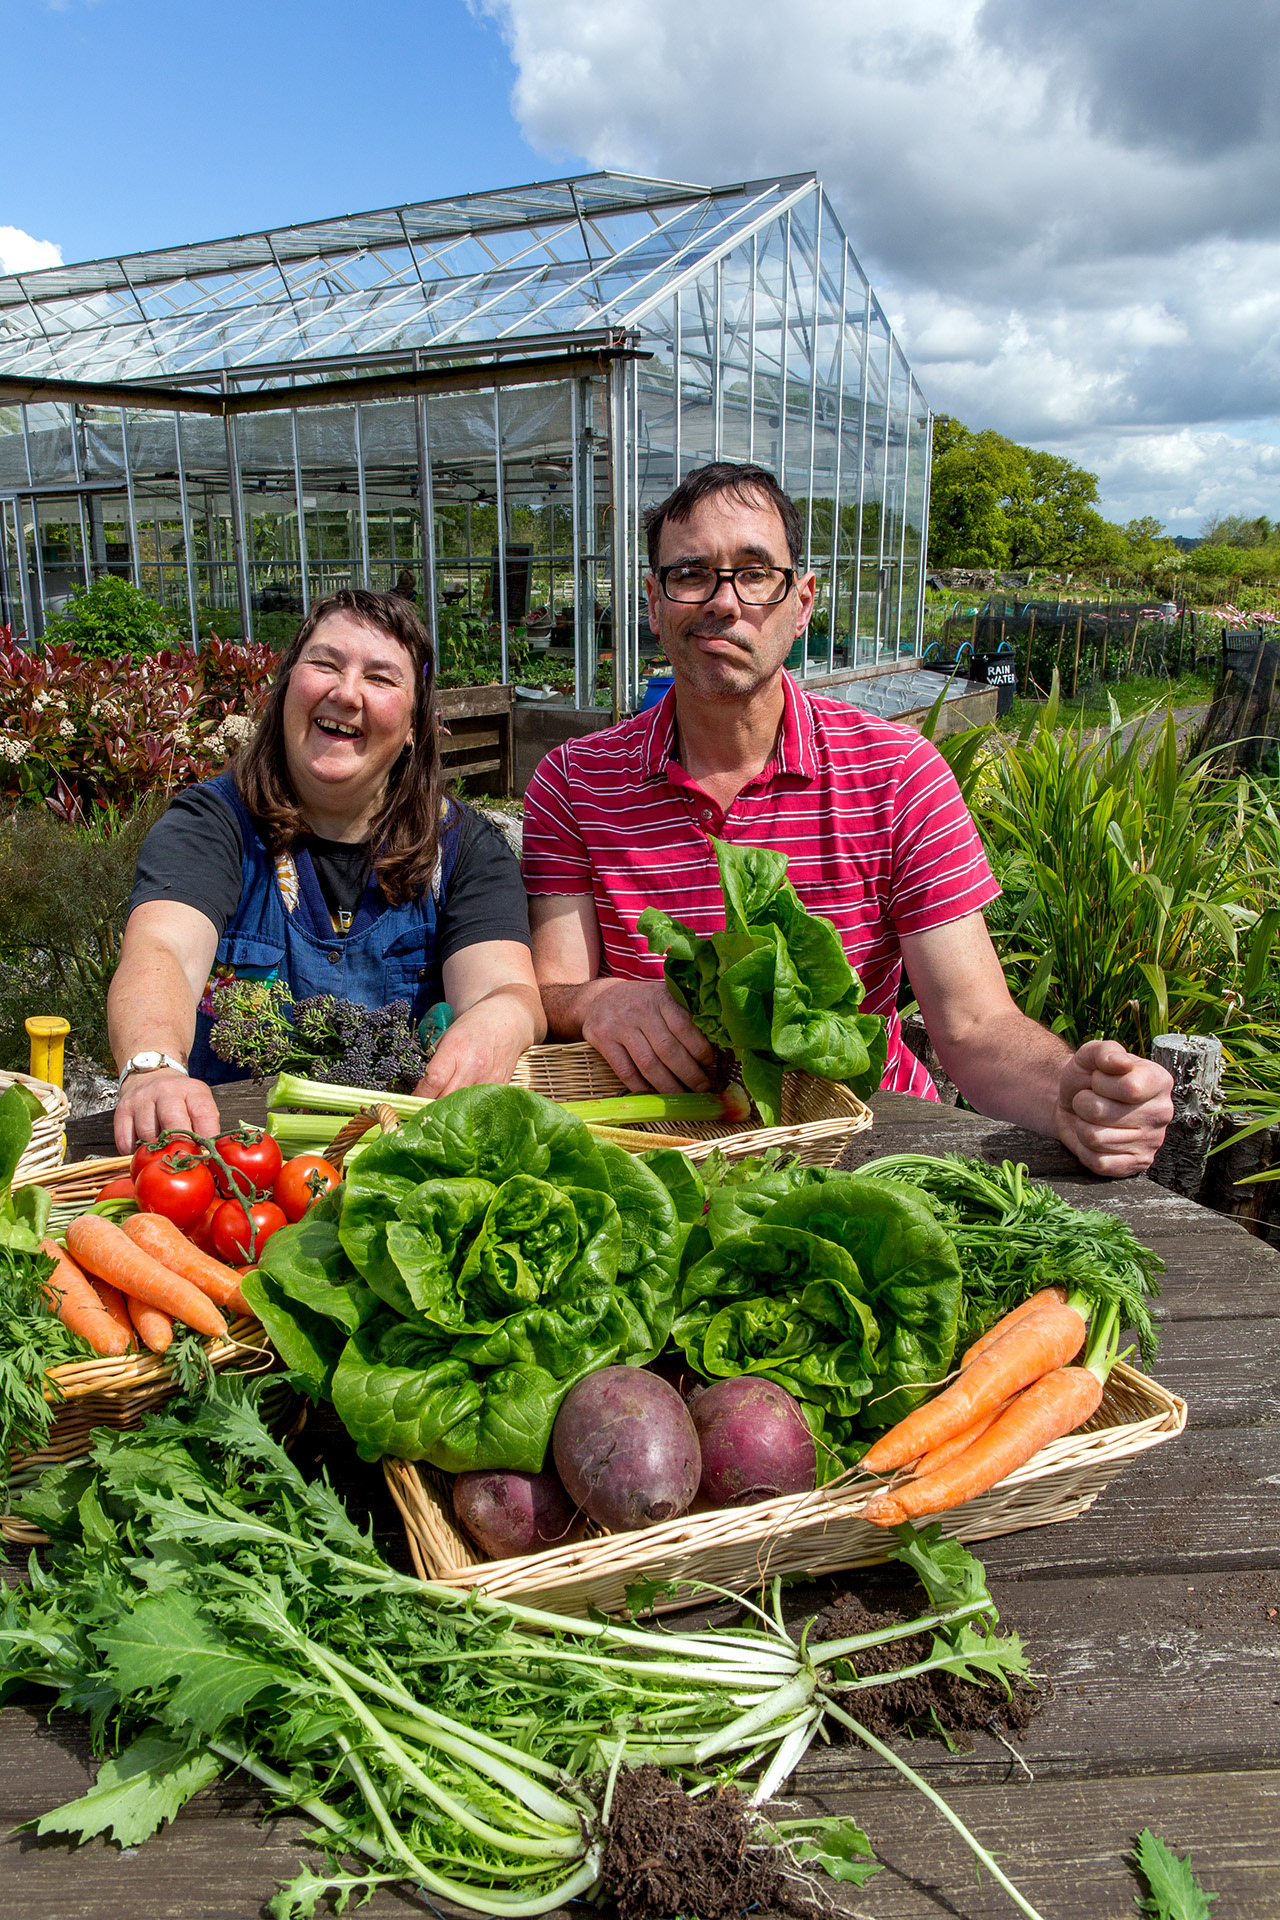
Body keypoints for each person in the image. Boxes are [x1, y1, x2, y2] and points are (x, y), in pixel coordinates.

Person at [522, 463, 1174, 1178]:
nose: (723, 601)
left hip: (869, 1150)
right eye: (691, 575)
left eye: (755, 572)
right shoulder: (576, 782)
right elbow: (554, 993)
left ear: (802, 603)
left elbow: (975, 1026)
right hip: (666, 1151)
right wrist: (599, 999)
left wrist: (1070, 1096)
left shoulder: (898, 774)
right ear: (654, 601)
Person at [110, 588, 543, 1152]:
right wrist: (153, 1064)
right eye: (325, 664)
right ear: (290, 683)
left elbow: (505, 987)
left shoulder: (464, 850)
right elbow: (162, 948)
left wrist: (502, 1018)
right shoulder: (212, 825)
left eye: (381, 678)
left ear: (414, 725)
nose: (346, 693)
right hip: (236, 1168)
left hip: (398, 1168)